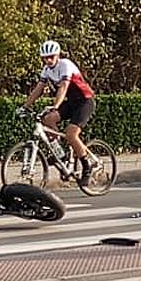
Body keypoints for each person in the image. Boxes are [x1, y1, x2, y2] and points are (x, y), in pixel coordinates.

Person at [19, 40, 100, 182]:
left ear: (57, 55)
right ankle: (60, 154)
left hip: (85, 101)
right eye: (45, 58)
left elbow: (63, 87)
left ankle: (87, 166)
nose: (48, 60)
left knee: (71, 133)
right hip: (71, 102)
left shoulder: (65, 65)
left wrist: (56, 106)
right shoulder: (46, 69)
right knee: (48, 119)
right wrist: (25, 107)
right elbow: (38, 89)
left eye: (51, 57)